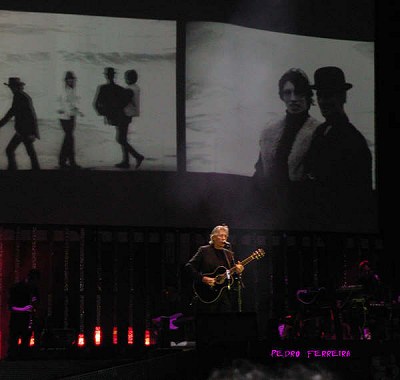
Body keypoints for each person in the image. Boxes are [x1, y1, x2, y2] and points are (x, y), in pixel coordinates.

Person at [302, 66, 373, 229]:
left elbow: (358, 200)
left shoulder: (354, 141)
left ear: (343, 97)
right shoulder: (320, 131)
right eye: (320, 95)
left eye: (329, 95)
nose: (323, 101)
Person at [253, 68, 320, 226]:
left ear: (308, 96)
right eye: (287, 93)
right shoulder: (269, 132)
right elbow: (260, 171)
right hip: (270, 211)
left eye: (299, 93)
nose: (293, 99)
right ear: (282, 96)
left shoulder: (318, 131)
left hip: (301, 213)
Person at [185, 225, 244, 314]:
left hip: (224, 295)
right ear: (213, 237)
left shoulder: (228, 254)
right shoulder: (204, 250)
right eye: (221, 235)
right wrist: (203, 278)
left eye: (225, 236)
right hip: (207, 292)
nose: (223, 238)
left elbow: (232, 274)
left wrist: (238, 271)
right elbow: (189, 266)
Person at [93, 67, 144, 169]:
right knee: (122, 138)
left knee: (120, 139)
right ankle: (126, 161)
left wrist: (106, 113)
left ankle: (137, 156)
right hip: (124, 116)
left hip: (122, 116)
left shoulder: (124, 89)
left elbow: (118, 103)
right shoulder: (124, 88)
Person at [0, 77, 40, 170]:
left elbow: (31, 116)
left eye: (13, 87)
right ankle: (36, 172)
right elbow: (11, 112)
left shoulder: (20, 97)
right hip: (23, 131)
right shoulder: (19, 96)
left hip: (25, 131)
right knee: (30, 153)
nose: (11, 89)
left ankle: (13, 171)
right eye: (11, 87)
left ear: (17, 87)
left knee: (10, 150)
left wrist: (32, 133)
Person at [7, 269, 41, 360]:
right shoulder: (16, 288)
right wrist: (23, 309)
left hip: (27, 321)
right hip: (16, 321)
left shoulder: (34, 289)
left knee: (25, 345)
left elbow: (37, 303)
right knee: (13, 345)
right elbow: (10, 307)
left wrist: (34, 303)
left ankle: (23, 360)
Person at [57, 71, 84, 169]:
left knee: (68, 139)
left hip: (70, 117)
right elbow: (65, 105)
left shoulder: (72, 90)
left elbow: (74, 103)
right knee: (69, 139)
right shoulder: (65, 91)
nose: (71, 81)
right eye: (69, 80)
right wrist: (75, 110)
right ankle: (70, 162)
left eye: (72, 80)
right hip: (65, 118)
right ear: (66, 81)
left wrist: (78, 111)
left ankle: (63, 161)